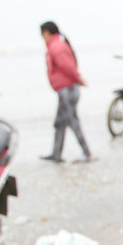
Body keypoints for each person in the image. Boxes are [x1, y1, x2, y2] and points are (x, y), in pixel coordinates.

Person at [39, 21, 93, 163]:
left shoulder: (56, 46)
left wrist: (78, 78)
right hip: (64, 89)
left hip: (67, 89)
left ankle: (88, 154)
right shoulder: (56, 45)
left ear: (46, 33)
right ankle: (56, 154)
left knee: (72, 121)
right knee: (60, 122)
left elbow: (67, 66)